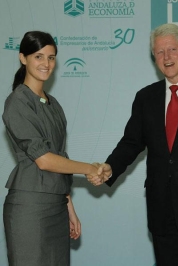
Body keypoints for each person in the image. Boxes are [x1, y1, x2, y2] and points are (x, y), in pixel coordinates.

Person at [87, 23, 178, 265]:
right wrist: (110, 166)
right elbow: (131, 142)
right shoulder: (145, 98)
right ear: (154, 57)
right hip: (162, 212)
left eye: (172, 50)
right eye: (159, 52)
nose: (166, 57)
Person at [2, 31, 102, 266]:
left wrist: (69, 208)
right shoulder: (17, 101)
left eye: (51, 57)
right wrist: (89, 168)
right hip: (29, 209)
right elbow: (45, 160)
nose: (46, 64)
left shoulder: (54, 104)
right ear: (22, 58)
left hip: (57, 206)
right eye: (38, 57)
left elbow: (59, 158)